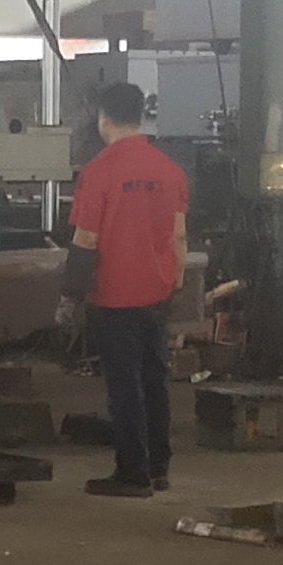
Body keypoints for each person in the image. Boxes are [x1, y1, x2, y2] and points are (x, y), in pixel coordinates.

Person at [66, 81, 189, 498]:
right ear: (140, 117)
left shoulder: (98, 172)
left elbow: (85, 240)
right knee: (154, 379)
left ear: (103, 118)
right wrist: (175, 283)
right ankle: (158, 468)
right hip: (157, 293)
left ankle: (132, 473)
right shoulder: (170, 170)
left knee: (124, 386)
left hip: (114, 295)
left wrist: (70, 295)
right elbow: (179, 236)